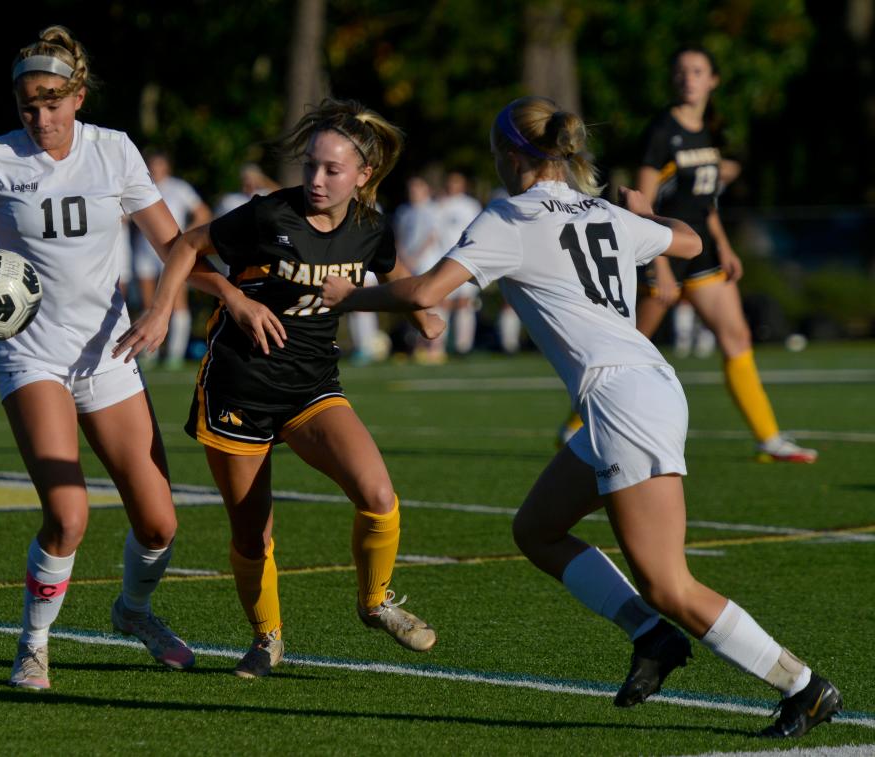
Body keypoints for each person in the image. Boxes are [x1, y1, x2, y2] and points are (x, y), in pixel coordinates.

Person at [321, 96, 842, 739]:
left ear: (514, 157)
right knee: (537, 529)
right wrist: (643, 213)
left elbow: (427, 291)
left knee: (668, 581)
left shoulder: (509, 216)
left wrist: (350, 298)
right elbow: (689, 239)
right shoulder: (601, 210)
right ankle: (653, 640)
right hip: (637, 389)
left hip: (624, 400)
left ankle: (804, 686)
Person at [0, 25, 227, 690]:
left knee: (159, 522)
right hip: (29, 353)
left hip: (108, 351)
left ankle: (133, 609)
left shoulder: (114, 152)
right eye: (27, 105)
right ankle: (33, 643)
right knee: (68, 514)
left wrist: (228, 290)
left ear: (79, 97)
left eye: (52, 102)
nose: (40, 117)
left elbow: (173, 246)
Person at [113, 98, 440, 679]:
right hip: (239, 387)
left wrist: (421, 313)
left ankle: (375, 602)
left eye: (332, 170)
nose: (316, 179)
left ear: (362, 177)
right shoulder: (268, 216)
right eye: (310, 165)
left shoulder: (370, 226)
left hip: (313, 386)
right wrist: (197, 305)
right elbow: (185, 246)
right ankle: (267, 639)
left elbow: (396, 273)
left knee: (379, 496)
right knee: (252, 531)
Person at [560, 45, 816, 463]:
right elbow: (639, 201)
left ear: (712, 80)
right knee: (630, 347)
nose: (687, 78)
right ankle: (573, 428)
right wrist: (659, 264)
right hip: (665, 250)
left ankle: (768, 439)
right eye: (680, 71)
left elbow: (706, 199)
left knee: (737, 338)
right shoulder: (661, 131)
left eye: (697, 71)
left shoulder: (710, 129)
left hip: (704, 252)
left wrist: (725, 244)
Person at [131, 149, 212, 369]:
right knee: (148, 302)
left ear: (167, 167)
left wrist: (187, 239)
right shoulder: (139, 183)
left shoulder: (178, 187)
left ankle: (175, 353)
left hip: (171, 250)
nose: (156, 169)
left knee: (176, 301)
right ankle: (149, 353)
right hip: (143, 250)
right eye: (152, 165)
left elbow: (202, 213)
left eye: (159, 165)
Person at [392, 176, 448, 363]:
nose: (413, 192)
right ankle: (419, 345)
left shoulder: (432, 210)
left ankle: (436, 347)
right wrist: (403, 258)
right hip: (408, 263)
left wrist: (415, 257)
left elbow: (431, 236)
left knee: (432, 301)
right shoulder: (404, 211)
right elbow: (399, 237)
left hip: (426, 262)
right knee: (412, 304)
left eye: (417, 188)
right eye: (411, 188)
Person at [436, 172, 482, 355]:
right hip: (444, 259)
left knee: (464, 302)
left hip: (466, 260)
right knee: (443, 301)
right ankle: (438, 345)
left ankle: (463, 346)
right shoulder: (440, 204)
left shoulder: (470, 205)